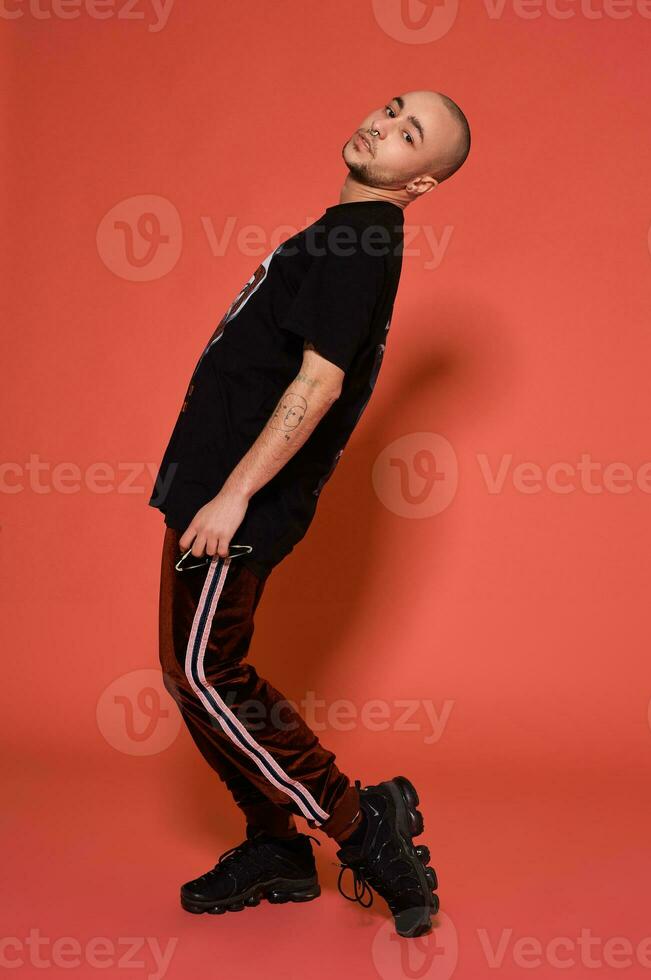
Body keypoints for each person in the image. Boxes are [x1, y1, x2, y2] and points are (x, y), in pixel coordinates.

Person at [150, 89, 471, 939]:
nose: (384, 125)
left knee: (210, 676)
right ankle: (276, 847)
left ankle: (367, 828)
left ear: (422, 183)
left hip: (235, 496)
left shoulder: (363, 241)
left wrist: (234, 494)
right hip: (212, 486)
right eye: (394, 108)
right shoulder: (343, 232)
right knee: (193, 675)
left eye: (411, 135)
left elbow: (320, 383)